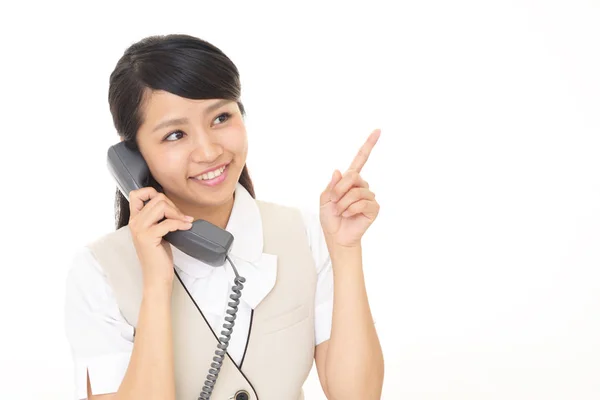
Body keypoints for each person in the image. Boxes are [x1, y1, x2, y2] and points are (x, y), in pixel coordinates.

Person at [64, 33, 384, 400]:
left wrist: (344, 250)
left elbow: (357, 395)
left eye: (221, 117)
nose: (209, 150)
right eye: (175, 134)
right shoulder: (99, 271)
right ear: (133, 157)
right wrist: (155, 286)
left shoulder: (304, 234)